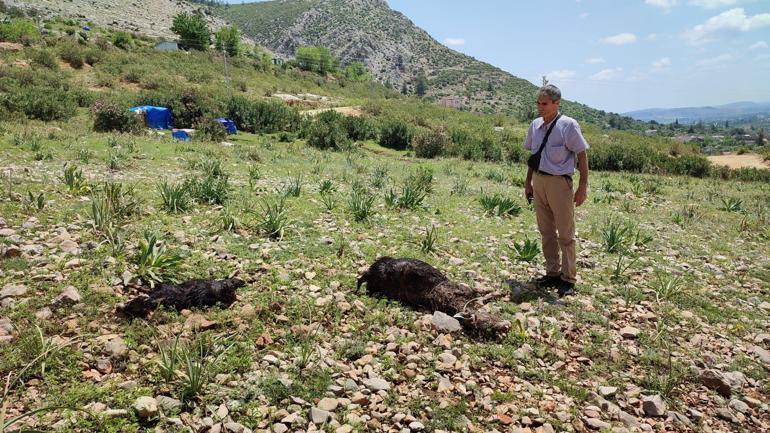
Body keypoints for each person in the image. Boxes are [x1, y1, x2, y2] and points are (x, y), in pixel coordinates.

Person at [523, 84, 589, 297]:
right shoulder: (534, 125)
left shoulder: (568, 125)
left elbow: (582, 155)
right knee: (546, 231)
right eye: (538, 103)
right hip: (539, 181)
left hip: (560, 184)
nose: (540, 107)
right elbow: (533, 157)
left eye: (545, 103)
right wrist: (528, 182)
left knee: (566, 233)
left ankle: (568, 278)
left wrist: (582, 186)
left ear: (557, 103)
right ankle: (552, 273)